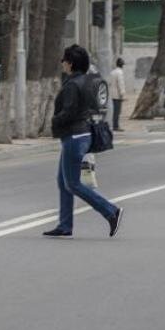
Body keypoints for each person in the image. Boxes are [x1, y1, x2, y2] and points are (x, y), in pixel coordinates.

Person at [43, 45, 123, 238]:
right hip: (83, 134)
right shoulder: (88, 81)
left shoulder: (72, 85)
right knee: (63, 182)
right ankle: (65, 225)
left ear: (70, 63)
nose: (62, 63)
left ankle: (111, 211)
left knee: (72, 183)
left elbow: (69, 112)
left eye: (64, 60)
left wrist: (53, 121)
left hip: (74, 136)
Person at [109, 57, 126, 131]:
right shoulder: (120, 73)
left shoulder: (112, 72)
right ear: (122, 65)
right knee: (117, 111)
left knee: (115, 111)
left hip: (112, 94)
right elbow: (120, 84)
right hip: (117, 95)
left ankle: (114, 125)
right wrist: (122, 94)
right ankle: (116, 126)